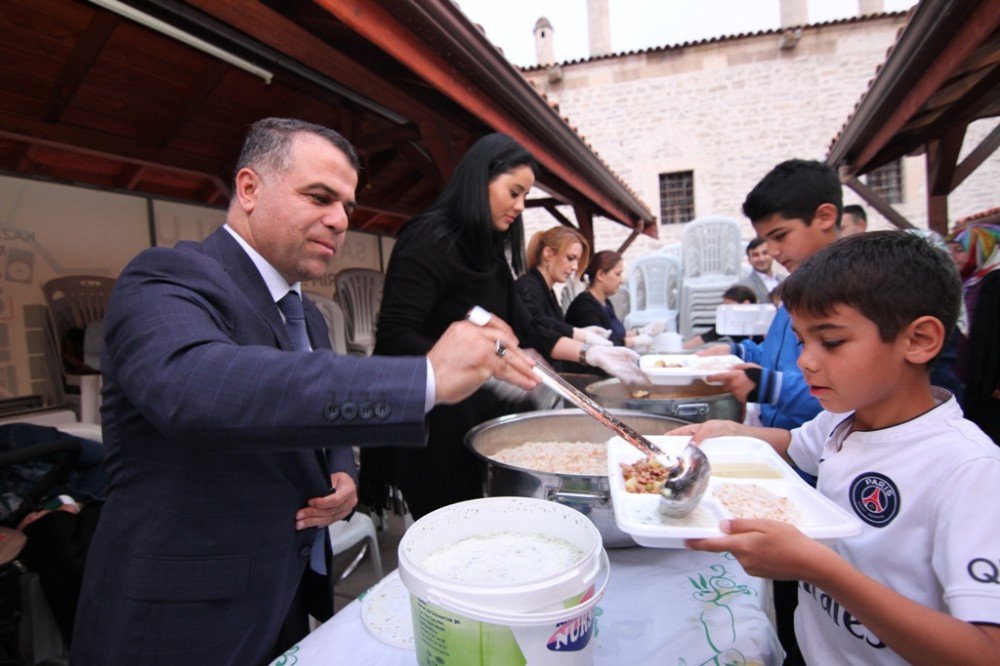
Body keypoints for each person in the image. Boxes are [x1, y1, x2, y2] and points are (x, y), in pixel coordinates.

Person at [71, 119, 538, 666]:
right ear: (249, 189)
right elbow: (199, 387)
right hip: (180, 619)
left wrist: (342, 470)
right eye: (319, 197)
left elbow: (312, 409)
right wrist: (425, 377)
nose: (339, 221)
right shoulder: (165, 278)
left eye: (347, 207)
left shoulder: (309, 318)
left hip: (284, 598)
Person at [675, 231, 1000, 665]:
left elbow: (985, 652)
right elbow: (793, 444)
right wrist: (729, 433)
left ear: (919, 340)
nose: (807, 361)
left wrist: (821, 571)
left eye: (830, 341)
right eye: (801, 341)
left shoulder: (969, 471)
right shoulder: (843, 418)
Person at [359, 133, 642, 521]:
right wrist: (485, 364)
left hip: (481, 419)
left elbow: (526, 327)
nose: (520, 206)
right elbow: (394, 336)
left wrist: (592, 352)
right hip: (433, 426)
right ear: (481, 180)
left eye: (524, 195)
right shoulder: (428, 238)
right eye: (514, 192)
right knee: (451, 526)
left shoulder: (488, 251)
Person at [515, 226, 615, 371]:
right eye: (570, 258)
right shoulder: (527, 287)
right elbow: (536, 325)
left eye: (577, 261)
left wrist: (579, 335)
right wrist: (580, 335)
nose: (575, 267)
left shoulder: (547, 291)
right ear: (548, 253)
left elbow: (551, 328)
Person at [946, 223, 1000, 443]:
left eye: (960, 250)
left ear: (983, 249)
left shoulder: (995, 283)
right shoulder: (972, 281)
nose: (953, 256)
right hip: (972, 375)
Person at [564, 250, 661, 353]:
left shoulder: (605, 302)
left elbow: (615, 334)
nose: (621, 280)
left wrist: (640, 332)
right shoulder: (585, 308)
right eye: (618, 274)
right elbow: (601, 345)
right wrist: (634, 341)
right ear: (600, 275)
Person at [682, 284, 758, 349]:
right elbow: (704, 337)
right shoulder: (729, 323)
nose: (726, 311)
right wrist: (680, 348)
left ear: (746, 304)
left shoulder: (762, 321)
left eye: (729, 307)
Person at [737, 237, 782, 303]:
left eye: (765, 253)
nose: (761, 259)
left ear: (772, 255)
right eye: (755, 255)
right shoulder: (743, 287)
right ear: (749, 259)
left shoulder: (786, 280)